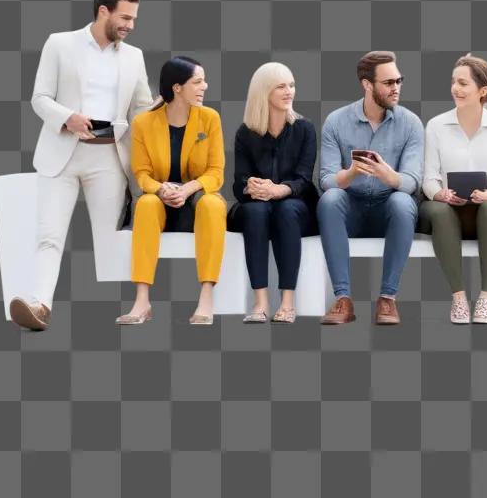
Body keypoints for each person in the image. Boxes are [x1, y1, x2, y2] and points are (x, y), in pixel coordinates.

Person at [8, 0, 152, 332]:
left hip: (108, 160)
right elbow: (39, 97)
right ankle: (40, 306)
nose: (130, 24)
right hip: (61, 154)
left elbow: (143, 109)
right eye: (125, 17)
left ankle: (141, 304)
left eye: (134, 18)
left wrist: (166, 106)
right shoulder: (59, 43)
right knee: (49, 237)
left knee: (111, 240)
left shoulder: (134, 56)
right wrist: (68, 117)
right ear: (103, 12)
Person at [117, 57, 227, 325]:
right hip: (161, 199)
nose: (205, 86)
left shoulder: (210, 118)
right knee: (145, 204)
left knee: (212, 205)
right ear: (177, 88)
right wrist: (161, 188)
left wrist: (188, 189)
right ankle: (142, 301)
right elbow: (141, 173)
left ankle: (206, 296)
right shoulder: (144, 123)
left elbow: (216, 172)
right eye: (198, 81)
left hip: (197, 200)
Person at [316, 51, 424, 325]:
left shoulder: (411, 123)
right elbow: (326, 180)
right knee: (330, 199)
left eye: (399, 80)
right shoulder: (336, 121)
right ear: (367, 84)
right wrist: (351, 173)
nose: (396, 87)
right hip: (350, 208)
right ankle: (343, 300)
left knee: (403, 201)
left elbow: (412, 181)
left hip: (388, 209)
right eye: (388, 82)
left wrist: (389, 176)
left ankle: (388, 299)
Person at [420, 55, 487, 324]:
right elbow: (429, 178)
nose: (455, 88)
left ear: (483, 91)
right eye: (453, 82)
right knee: (439, 211)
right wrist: (440, 193)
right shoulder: (436, 125)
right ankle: (459, 297)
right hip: (449, 207)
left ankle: (486, 296)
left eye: (463, 83)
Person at [229, 62, 318, 324]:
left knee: (286, 209)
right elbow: (238, 182)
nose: (289, 91)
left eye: (291, 85)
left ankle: (287, 302)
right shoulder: (245, 132)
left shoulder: (304, 128)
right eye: (281, 86)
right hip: (260, 205)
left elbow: (303, 179)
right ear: (263, 92)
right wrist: (251, 187)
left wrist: (278, 190)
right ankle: (261, 303)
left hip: (297, 206)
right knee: (254, 211)